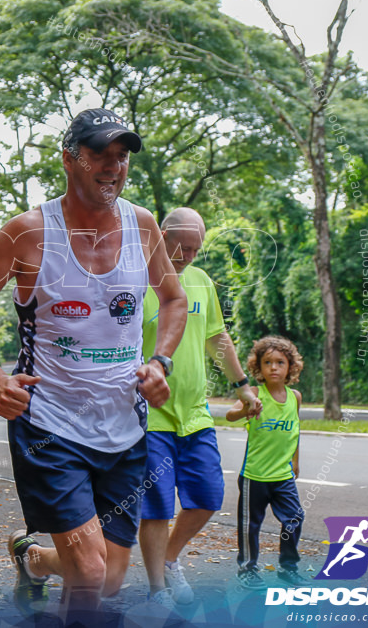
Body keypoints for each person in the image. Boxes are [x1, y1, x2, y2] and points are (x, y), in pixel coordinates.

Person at [0, 108, 188, 625]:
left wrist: (161, 362)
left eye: (122, 156)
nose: (114, 166)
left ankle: (34, 560)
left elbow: (173, 301)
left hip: (125, 427)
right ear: (69, 159)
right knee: (88, 571)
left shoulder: (143, 225)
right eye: (100, 154)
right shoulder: (27, 233)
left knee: (108, 575)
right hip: (51, 425)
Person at [137, 207, 261, 608]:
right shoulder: (137, 280)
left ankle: (170, 560)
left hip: (195, 414)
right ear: (162, 234)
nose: (186, 256)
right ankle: (157, 589)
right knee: (156, 506)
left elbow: (217, 339)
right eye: (181, 247)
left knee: (208, 496)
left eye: (194, 249)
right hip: (149, 415)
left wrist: (242, 385)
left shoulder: (201, 282)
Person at [225, 335, 306, 591]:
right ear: (257, 368)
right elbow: (229, 414)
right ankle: (247, 569)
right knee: (250, 527)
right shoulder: (255, 394)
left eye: (280, 362)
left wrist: (295, 461)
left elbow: (295, 431)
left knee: (294, 517)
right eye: (267, 362)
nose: (273, 367)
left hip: (283, 476)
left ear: (290, 368)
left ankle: (288, 568)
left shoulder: (295, 397)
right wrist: (246, 409)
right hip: (254, 477)